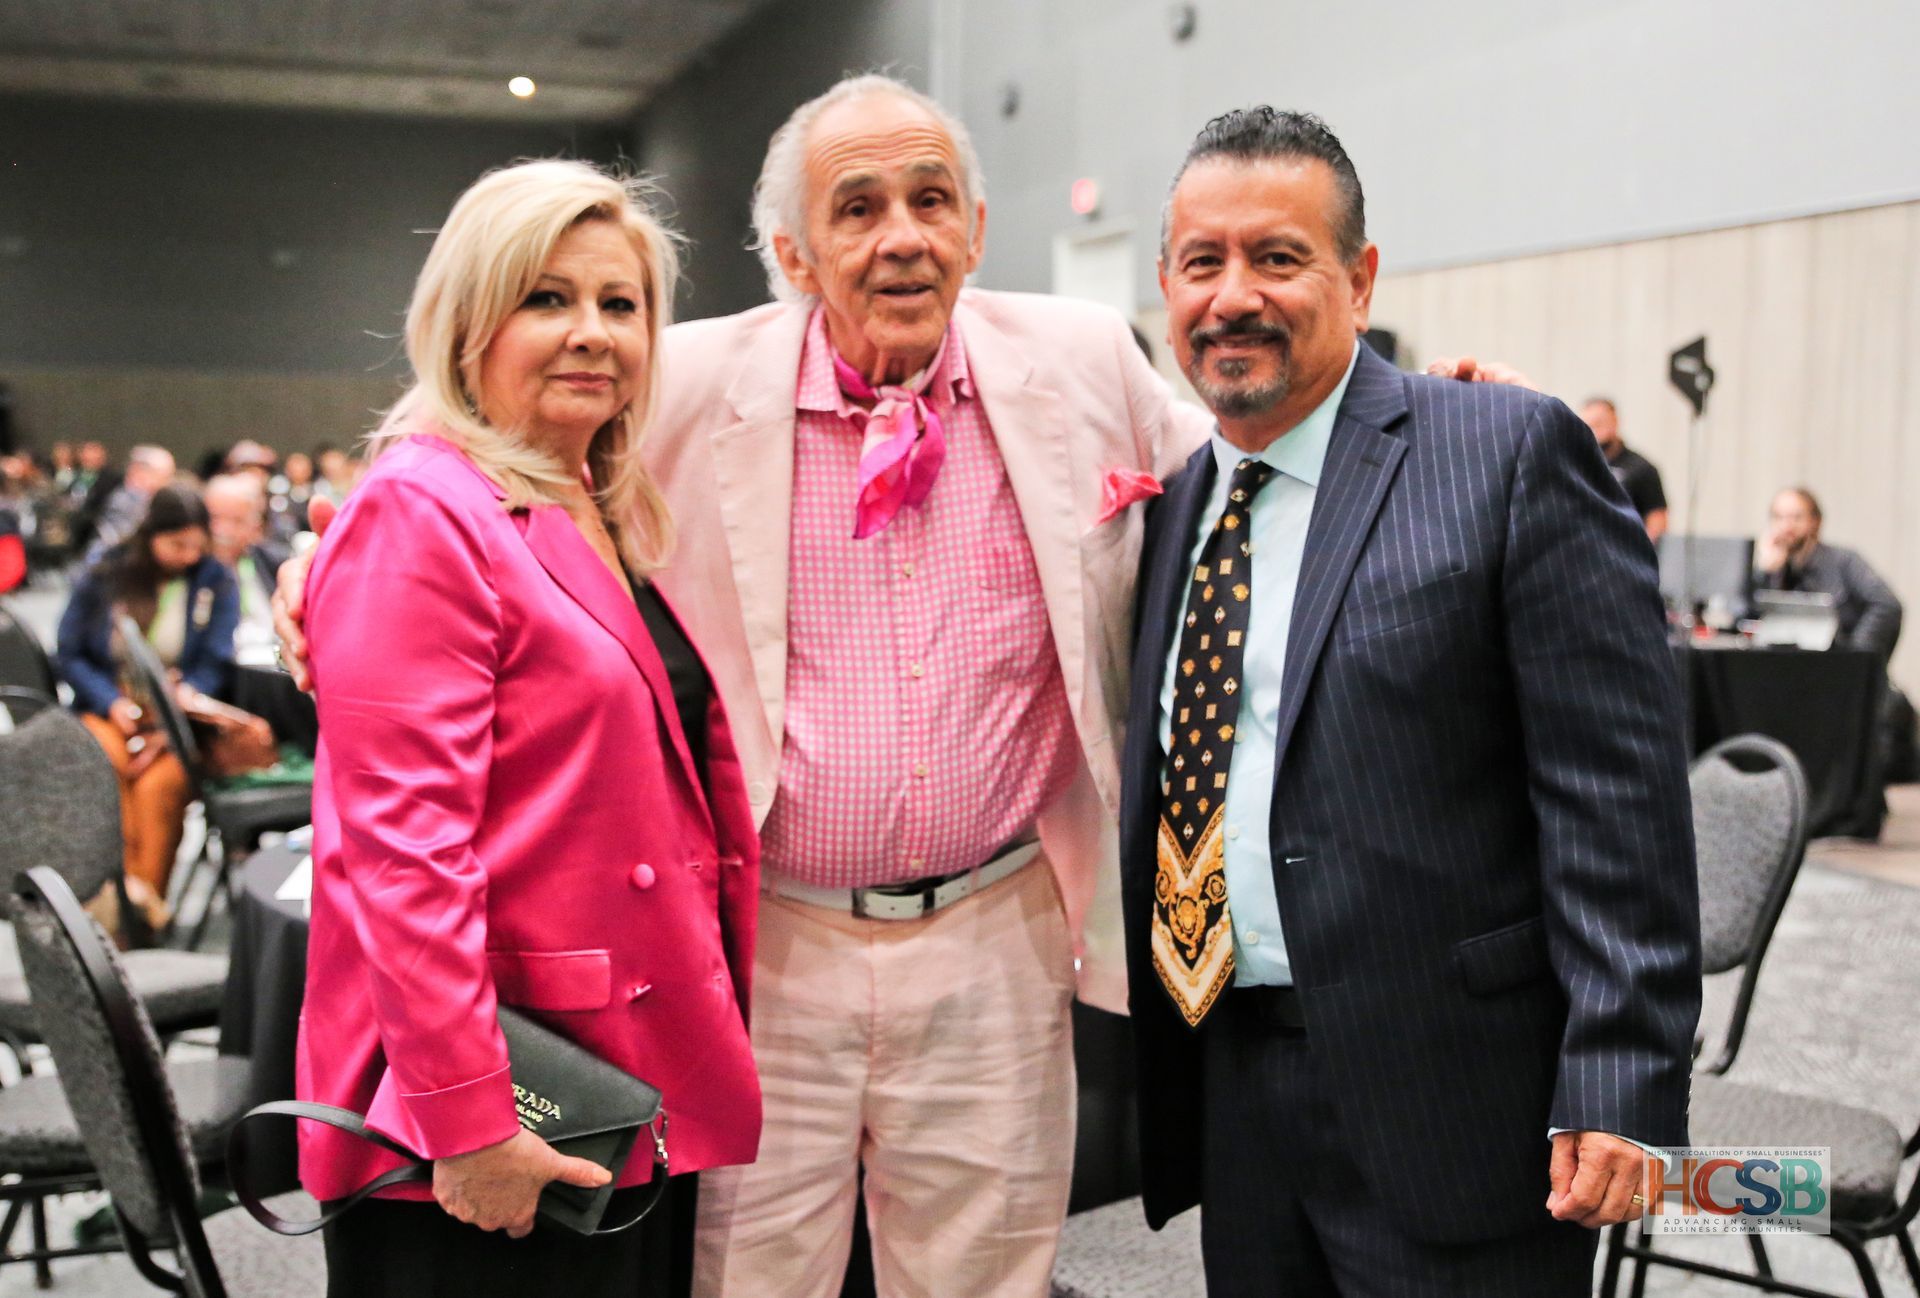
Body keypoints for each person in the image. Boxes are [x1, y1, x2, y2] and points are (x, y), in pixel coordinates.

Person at [281, 73, 1213, 1297]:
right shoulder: (671, 374)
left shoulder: (1083, 361)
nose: (903, 237)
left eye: (934, 200)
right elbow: (467, 432)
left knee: (987, 1274)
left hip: (1000, 927)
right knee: (747, 1276)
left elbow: (1242, 490)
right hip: (762, 943)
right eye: (858, 205)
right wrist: (327, 554)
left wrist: (1420, 424)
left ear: (976, 230)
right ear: (791, 249)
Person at [1122, 108, 1700, 1296]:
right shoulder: (1180, 500)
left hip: (1459, 1092)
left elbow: (1617, 797)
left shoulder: (1502, 450)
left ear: (1360, 274)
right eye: (1201, 262)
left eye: (1278, 257)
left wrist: (1621, 1075)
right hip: (1236, 1076)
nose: (1233, 295)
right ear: (1165, 288)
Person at [295, 159, 761, 1298]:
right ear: (467, 322)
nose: (592, 332)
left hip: (612, 1077)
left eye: (621, 304)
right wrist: (466, 1119)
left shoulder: (585, 500)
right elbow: (402, 852)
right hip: (491, 1115)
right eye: (547, 298)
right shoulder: (421, 508)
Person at [54, 482, 237, 932]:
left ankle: (141, 914)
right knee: (108, 769)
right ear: (152, 535)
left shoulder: (214, 579)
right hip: (109, 707)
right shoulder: (108, 571)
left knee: (162, 786)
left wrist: (180, 701)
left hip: (176, 721)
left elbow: (215, 662)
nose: (189, 555)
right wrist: (110, 700)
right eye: (177, 544)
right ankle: (109, 905)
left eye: (198, 544)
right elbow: (70, 652)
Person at [1756, 486, 1902, 663]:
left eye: (1796, 518)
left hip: (1837, 668)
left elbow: (1886, 605)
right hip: (1793, 669)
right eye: (1779, 517)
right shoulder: (1772, 569)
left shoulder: (1844, 561)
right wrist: (1764, 574)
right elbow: (1750, 621)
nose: (1787, 526)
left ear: (1815, 521)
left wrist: (1858, 655)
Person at [203, 473, 289, 665]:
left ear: (256, 527)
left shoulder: (273, 563)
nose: (223, 531)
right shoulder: (193, 572)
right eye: (215, 518)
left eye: (237, 521)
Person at [1579, 396, 1667, 540]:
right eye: (1588, 425)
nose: (1594, 430)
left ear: (1615, 421)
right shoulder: (1577, 464)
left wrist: (1639, 551)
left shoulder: (1641, 468)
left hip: (1623, 550)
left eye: (1599, 423)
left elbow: (1657, 517)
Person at [86, 444, 176, 559]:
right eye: (164, 477)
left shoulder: (137, 499)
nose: (167, 484)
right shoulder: (128, 501)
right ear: (139, 472)